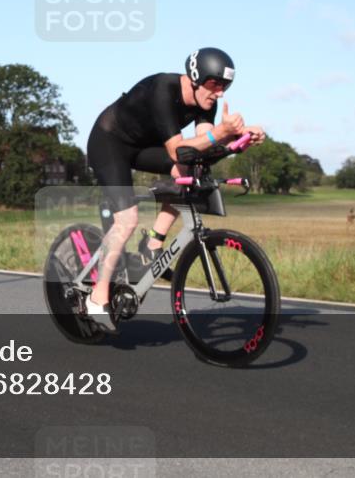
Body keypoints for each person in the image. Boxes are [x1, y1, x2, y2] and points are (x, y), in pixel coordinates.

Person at [84, 47, 265, 331]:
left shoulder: (207, 102)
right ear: (195, 77)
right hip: (110, 141)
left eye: (225, 86)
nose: (219, 92)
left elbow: (200, 150)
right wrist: (221, 133)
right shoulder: (163, 90)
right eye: (214, 84)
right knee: (127, 219)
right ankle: (97, 297)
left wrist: (239, 141)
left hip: (143, 147)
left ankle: (153, 244)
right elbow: (178, 149)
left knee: (193, 170)